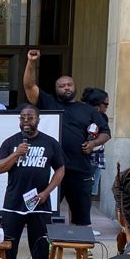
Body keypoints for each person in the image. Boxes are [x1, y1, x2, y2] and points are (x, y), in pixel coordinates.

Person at [22, 50, 111, 227]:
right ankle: (46, 245)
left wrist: (93, 143)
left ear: (74, 87)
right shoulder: (48, 103)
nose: (66, 88)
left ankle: (82, 249)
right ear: (56, 89)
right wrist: (31, 62)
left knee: (81, 216)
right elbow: (29, 86)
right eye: (62, 86)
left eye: (69, 84)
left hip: (80, 169)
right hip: (52, 169)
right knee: (44, 214)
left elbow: (106, 132)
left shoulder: (88, 110)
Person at [0, 104, 64, 259]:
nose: (26, 121)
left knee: (40, 244)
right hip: (13, 203)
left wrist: (47, 192)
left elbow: (60, 169)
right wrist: (16, 154)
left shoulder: (50, 143)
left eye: (30, 117)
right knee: (8, 244)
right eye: (22, 117)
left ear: (38, 120)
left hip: (39, 203)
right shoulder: (11, 142)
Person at [81, 88, 110, 198]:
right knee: (80, 192)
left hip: (98, 156)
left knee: (91, 191)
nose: (107, 106)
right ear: (97, 105)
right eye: (105, 104)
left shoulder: (103, 118)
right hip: (85, 156)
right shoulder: (84, 116)